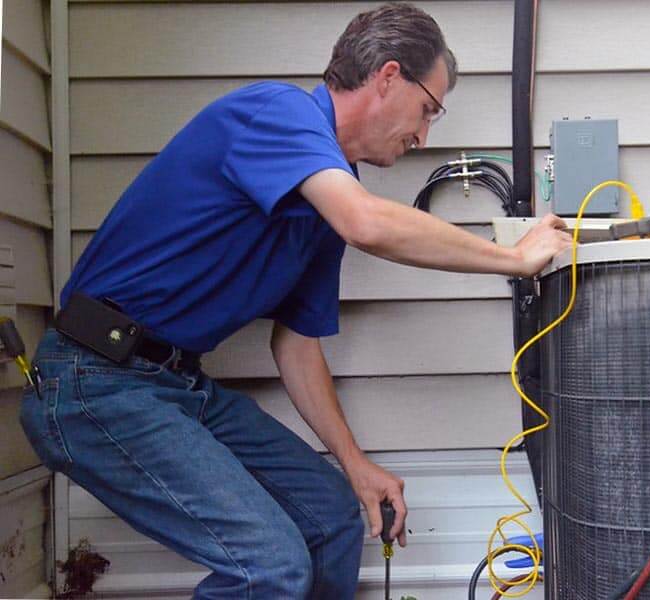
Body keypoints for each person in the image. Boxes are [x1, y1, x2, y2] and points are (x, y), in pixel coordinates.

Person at [19, 3, 571, 598]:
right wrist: (514, 257)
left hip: (174, 386)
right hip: (94, 379)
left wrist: (356, 465)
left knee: (331, 516)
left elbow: (298, 345)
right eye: (428, 109)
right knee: (267, 565)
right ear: (388, 76)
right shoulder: (276, 113)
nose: (424, 135)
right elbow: (366, 224)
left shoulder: (327, 198)